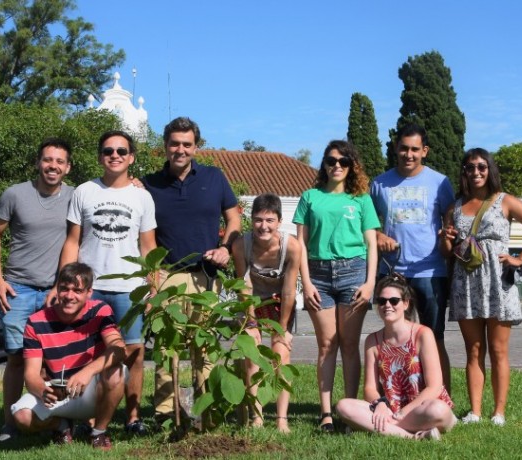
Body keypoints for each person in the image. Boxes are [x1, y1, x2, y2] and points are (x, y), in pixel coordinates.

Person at [142, 116, 242, 425]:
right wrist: (152, 282)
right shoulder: (149, 184)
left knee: (205, 349)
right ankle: (165, 415)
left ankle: (206, 413)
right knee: (165, 349)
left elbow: (235, 219)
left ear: (196, 147)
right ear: (165, 147)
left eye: (187, 144)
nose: (180, 149)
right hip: (166, 275)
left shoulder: (214, 178)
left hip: (204, 276)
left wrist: (226, 247)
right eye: (174, 144)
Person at [440, 148, 522, 426]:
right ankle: (475, 412)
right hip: (466, 282)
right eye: (469, 167)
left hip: (498, 281)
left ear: (489, 169)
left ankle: (498, 412)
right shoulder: (454, 207)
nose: (475, 172)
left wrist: (520, 258)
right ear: (463, 171)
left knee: (499, 350)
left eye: (481, 167)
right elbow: (447, 252)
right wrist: (446, 237)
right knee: (473, 350)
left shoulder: (505, 201)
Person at [57, 130, 156, 436]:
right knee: (86, 354)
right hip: (91, 287)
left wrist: (152, 287)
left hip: (130, 288)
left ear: (131, 157)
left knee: (134, 353)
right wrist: (63, 285)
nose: (115, 155)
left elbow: (148, 246)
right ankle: (87, 419)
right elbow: (72, 241)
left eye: (121, 151)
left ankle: (132, 418)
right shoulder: (85, 191)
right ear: (100, 156)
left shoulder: (142, 196)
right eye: (108, 151)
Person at [0, 138, 73, 442]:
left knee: (55, 362)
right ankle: (10, 423)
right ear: (39, 163)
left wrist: (60, 286)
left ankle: (57, 421)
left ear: (68, 167)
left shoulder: (75, 197)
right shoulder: (15, 194)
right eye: (48, 160)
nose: (53, 166)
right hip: (19, 290)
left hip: (55, 293)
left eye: (59, 161)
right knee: (16, 358)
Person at [293, 140, 379, 433]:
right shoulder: (309, 197)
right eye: (332, 161)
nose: (337, 166)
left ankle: (350, 410)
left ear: (352, 166)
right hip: (318, 275)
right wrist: (305, 282)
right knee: (327, 345)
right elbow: (300, 245)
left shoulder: (362, 200)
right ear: (324, 164)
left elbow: (371, 244)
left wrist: (370, 283)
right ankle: (327, 413)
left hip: (354, 272)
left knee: (349, 345)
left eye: (343, 161)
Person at [370, 124, 455, 392]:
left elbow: (450, 222)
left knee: (435, 338)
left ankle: (442, 399)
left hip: (430, 271)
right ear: (396, 149)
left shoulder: (440, 182)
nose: (409, 154)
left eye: (415, 149)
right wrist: (378, 235)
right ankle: (394, 396)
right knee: (393, 339)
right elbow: (367, 222)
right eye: (404, 148)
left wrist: (447, 238)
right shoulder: (379, 183)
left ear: (425, 151)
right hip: (392, 272)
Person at [10, 262, 126, 450]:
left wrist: (86, 372)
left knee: (117, 372)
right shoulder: (36, 322)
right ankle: (61, 426)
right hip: (59, 393)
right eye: (64, 289)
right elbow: (31, 375)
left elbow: (119, 349)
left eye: (77, 290)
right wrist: (42, 391)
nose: (69, 296)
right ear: (57, 290)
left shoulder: (100, 311)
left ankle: (98, 432)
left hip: (91, 392)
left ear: (89, 292)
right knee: (21, 417)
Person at [334, 275, 456, 440]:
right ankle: (411, 436)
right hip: (390, 408)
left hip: (423, 407)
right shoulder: (373, 341)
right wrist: (381, 405)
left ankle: (378, 427)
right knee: (343, 406)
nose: (387, 305)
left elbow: (434, 387)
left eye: (393, 300)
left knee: (438, 410)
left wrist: (403, 412)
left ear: (405, 304)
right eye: (382, 301)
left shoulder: (422, 334)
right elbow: (369, 388)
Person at [230, 193, 301, 433]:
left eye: (270, 220)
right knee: (252, 356)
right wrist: (250, 322)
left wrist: (281, 330)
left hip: (281, 303)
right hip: (252, 302)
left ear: (279, 221)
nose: (264, 226)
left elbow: (290, 290)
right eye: (259, 220)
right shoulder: (241, 245)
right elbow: (244, 284)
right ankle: (257, 416)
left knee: (280, 356)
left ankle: (282, 419)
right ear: (251, 220)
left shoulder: (291, 246)